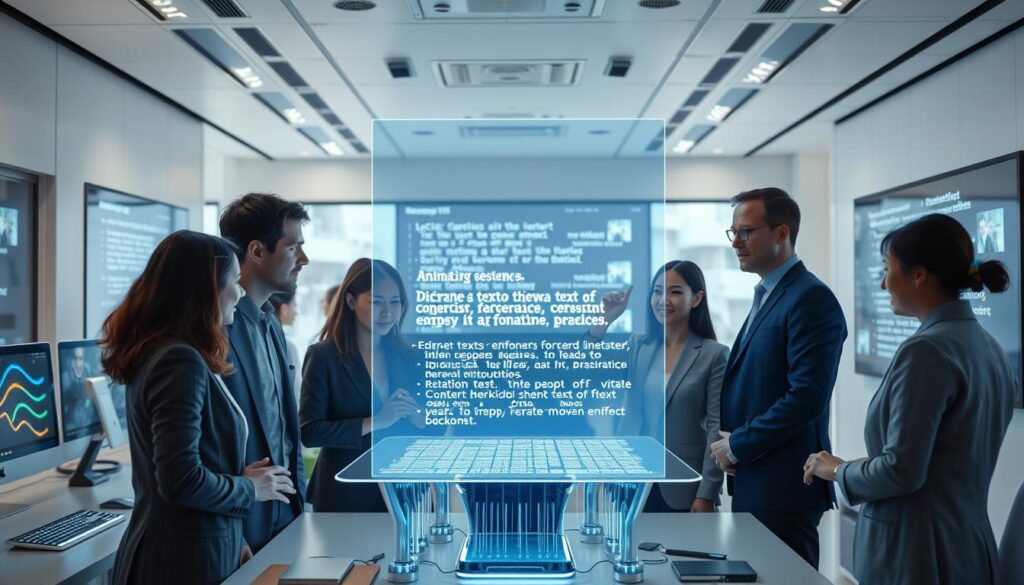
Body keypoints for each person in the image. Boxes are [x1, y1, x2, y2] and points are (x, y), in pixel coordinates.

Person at [803, 214, 1015, 585]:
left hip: (917, 554)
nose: (882, 282)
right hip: (967, 549)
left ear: (918, 275)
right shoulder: (991, 347)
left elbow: (901, 470)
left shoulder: (926, 351)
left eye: (887, 269)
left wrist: (837, 470)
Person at [103, 231, 295, 585]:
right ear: (204, 290)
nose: (240, 292)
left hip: (193, 550)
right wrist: (250, 488)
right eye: (234, 282)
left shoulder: (170, 351)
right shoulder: (179, 360)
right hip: (182, 561)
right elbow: (180, 480)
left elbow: (200, 461)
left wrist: (234, 537)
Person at [710, 187, 846, 569]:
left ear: (782, 233)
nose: (736, 242)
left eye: (746, 232)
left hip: (785, 487)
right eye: (733, 232)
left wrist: (739, 444)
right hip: (756, 480)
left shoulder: (810, 298)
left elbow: (806, 397)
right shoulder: (770, 294)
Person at [591, 261, 728, 512]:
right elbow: (588, 370)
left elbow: (716, 428)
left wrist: (707, 493)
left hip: (684, 485)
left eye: (675, 292)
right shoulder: (637, 346)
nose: (663, 300)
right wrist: (604, 320)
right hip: (633, 480)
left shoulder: (714, 354)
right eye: (657, 291)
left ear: (696, 299)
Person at [219, 193, 309, 551]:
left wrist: (300, 509)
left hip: (285, 519)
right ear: (257, 251)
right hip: (240, 529)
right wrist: (233, 535)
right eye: (294, 248)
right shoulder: (216, 330)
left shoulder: (271, 322)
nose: (304, 259)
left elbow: (286, 434)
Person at [300, 258, 425, 512]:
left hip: (404, 493)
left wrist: (418, 416)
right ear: (350, 301)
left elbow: (436, 425)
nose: (387, 312)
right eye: (376, 301)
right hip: (344, 495)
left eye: (395, 302)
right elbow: (311, 432)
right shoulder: (323, 356)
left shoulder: (411, 357)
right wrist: (377, 421)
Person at [269, 291, 302, 401]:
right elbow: (296, 391)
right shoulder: (288, 347)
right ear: (284, 309)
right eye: (294, 306)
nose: (296, 312)